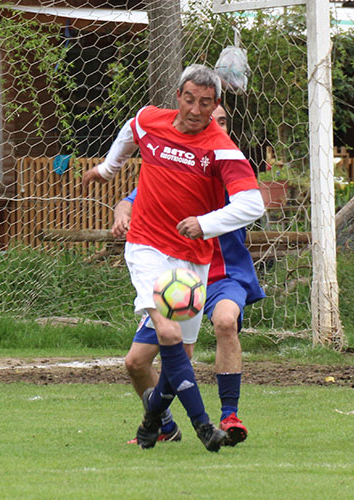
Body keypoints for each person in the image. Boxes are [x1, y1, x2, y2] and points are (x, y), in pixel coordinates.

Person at [81, 64, 264, 452]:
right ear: (177, 95)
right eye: (189, 99)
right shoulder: (152, 121)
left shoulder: (221, 149)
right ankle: (204, 427)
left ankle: (155, 424)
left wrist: (206, 222)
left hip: (193, 263)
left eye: (206, 103)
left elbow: (253, 203)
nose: (196, 110)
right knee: (168, 334)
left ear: (216, 104)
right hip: (147, 248)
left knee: (173, 355)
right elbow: (131, 129)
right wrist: (107, 168)